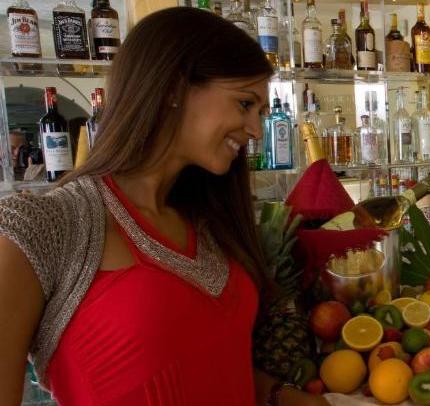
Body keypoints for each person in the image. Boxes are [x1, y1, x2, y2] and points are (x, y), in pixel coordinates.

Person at [0, 8, 327, 406]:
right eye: (244, 104)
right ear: (173, 88)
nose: (256, 130)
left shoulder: (209, 220)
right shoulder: (43, 229)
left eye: (259, 112)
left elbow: (210, 360)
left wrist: (280, 395)